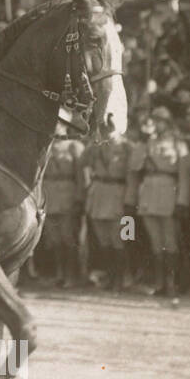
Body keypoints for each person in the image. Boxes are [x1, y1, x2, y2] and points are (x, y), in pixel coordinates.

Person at [125, 107, 190, 299]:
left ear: (168, 123)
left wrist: (183, 201)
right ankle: (160, 283)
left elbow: (185, 176)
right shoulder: (147, 142)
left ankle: (171, 284)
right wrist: (143, 143)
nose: (156, 124)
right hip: (149, 194)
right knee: (156, 243)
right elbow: (134, 166)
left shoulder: (178, 144)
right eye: (154, 120)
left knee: (170, 242)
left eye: (160, 120)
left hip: (169, 192)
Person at [83, 125, 132, 291]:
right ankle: (110, 278)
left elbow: (133, 175)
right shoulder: (96, 145)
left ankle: (123, 278)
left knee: (122, 238)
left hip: (119, 194)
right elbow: (84, 162)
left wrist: (130, 200)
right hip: (99, 194)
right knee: (103, 240)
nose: (108, 128)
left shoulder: (127, 147)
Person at [40, 132, 86, 287]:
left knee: (68, 238)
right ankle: (60, 274)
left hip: (68, 196)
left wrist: (79, 198)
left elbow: (81, 176)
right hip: (50, 195)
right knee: (55, 239)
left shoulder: (74, 146)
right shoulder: (46, 145)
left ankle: (72, 276)